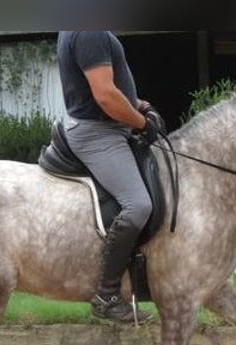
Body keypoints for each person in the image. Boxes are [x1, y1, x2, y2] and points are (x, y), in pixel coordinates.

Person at [57, 31, 164, 324]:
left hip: (110, 127)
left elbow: (108, 88)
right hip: (99, 134)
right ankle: (107, 295)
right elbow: (104, 95)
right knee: (138, 205)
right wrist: (141, 124)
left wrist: (137, 105)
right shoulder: (89, 31)